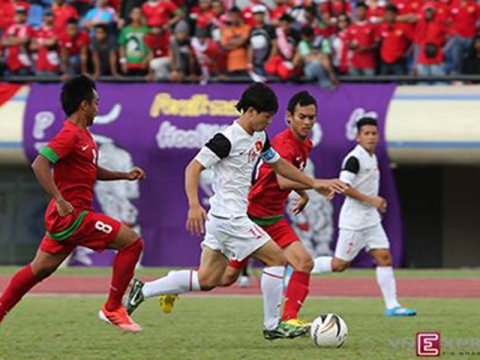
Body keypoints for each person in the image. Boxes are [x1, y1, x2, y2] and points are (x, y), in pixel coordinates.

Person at [125, 83, 347, 340]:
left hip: (225, 219)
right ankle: (274, 325)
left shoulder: (260, 137)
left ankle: (144, 289)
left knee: (209, 279)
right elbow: (193, 168)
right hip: (230, 217)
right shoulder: (227, 138)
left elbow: (278, 165)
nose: (269, 122)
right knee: (277, 259)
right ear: (251, 111)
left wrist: (311, 184)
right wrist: (194, 205)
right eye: (266, 117)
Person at [0, 76, 146, 333]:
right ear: (83, 105)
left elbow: (90, 170)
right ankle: (112, 307)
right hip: (73, 216)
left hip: (66, 217)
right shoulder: (69, 135)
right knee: (133, 243)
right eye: (96, 102)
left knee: (39, 270)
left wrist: (124, 175)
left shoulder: (84, 136)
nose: (98, 108)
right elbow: (40, 163)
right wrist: (60, 199)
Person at [219, 91, 332, 327]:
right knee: (223, 277)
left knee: (304, 262)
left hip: (273, 218)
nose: (308, 122)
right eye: (303, 116)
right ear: (289, 116)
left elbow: (291, 174)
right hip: (250, 218)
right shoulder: (282, 144)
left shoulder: (306, 143)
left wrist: (302, 193)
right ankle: (175, 285)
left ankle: (289, 320)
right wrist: (314, 185)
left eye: (312, 117)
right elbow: (282, 180)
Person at [311, 117, 417, 317]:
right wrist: (371, 200)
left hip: (371, 219)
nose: (370, 137)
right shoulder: (354, 159)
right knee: (339, 265)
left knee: (384, 258)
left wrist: (376, 202)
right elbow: (342, 187)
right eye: (366, 134)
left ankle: (392, 306)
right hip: (354, 221)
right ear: (358, 137)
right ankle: (300, 267)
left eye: (373, 133)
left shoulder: (372, 157)